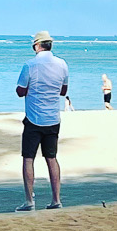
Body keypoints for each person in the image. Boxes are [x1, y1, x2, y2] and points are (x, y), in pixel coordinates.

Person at [16, 31, 71, 210]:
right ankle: (56, 199)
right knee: (52, 158)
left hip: (34, 117)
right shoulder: (62, 64)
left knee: (28, 158)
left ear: (37, 46)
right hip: (53, 118)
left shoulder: (30, 65)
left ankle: (29, 201)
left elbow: (20, 91)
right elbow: (63, 91)